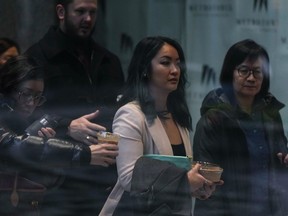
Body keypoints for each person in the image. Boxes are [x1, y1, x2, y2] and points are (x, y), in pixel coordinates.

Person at [100, 36, 223, 216]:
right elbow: (129, 178)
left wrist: (198, 187)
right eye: (165, 63)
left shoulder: (178, 116)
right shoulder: (130, 114)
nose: (174, 70)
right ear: (145, 69)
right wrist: (185, 182)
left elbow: (180, 177)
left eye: (178, 64)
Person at [25, 0, 125, 214]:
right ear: (61, 11)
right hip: (58, 182)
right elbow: (23, 114)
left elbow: (121, 112)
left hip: (105, 178)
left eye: (92, 12)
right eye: (80, 11)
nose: (88, 19)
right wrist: (67, 125)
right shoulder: (37, 57)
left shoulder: (109, 61)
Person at [0, 55, 118, 215]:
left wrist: (48, 154)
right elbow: (14, 146)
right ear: (8, 89)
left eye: (37, 97)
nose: (31, 103)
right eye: (26, 94)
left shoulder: (27, 122)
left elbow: (47, 182)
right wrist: (84, 154)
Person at [193, 39, 288, 216]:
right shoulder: (213, 120)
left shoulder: (271, 115)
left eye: (257, 72)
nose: (251, 78)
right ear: (230, 73)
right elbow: (205, 186)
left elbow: (280, 163)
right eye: (244, 71)